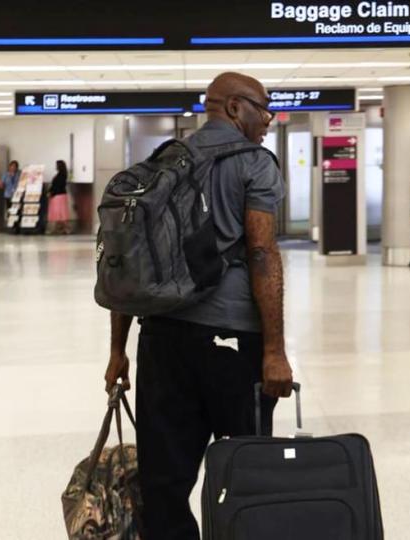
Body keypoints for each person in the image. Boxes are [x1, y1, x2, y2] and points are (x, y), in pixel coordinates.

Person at [103, 72, 294, 539]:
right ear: (233, 108)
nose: (268, 119)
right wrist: (274, 350)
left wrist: (117, 350)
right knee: (247, 474)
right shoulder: (256, 163)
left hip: (161, 342)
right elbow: (262, 253)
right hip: (233, 345)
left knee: (164, 483)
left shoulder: (162, 163)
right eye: (262, 108)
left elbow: (130, 263)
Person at [47, 160, 71, 234]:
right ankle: (62, 229)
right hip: (60, 195)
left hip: (58, 196)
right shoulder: (63, 175)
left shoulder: (60, 175)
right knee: (61, 214)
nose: (56, 166)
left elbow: (57, 186)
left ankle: (60, 229)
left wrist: (51, 192)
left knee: (58, 214)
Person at [0, 160, 20, 231]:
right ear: (9, 167)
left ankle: (17, 226)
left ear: (16, 168)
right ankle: (11, 226)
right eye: (11, 166)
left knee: (17, 211)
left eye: (14, 166)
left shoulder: (18, 174)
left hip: (17, 195)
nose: (13, 168)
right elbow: (2, 186)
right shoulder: (5, 175)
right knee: (10, 211)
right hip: (8, 195)